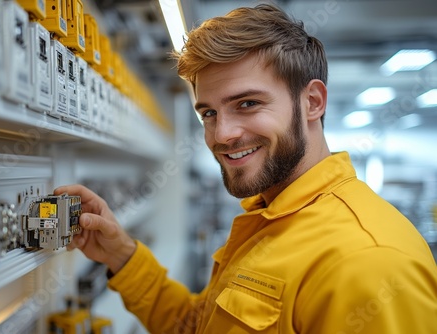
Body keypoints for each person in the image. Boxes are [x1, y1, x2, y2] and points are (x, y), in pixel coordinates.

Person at [54, 3, 437, 333]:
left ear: (313, 102)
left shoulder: (367, 262)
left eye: (248, 103)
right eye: (209, 112)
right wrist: (121, 255)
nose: (222, 134)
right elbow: (196, 326)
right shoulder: (267, 217)